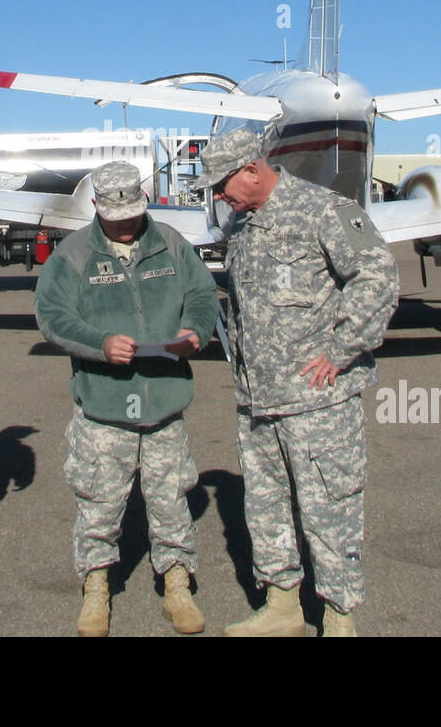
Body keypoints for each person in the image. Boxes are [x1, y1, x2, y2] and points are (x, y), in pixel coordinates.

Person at [193, 128, 398, 637]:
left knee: (330, 509)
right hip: (258, 400)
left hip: (317, 403)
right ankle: (282, 606)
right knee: (265, 506)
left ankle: (338, 616)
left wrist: (342, 350)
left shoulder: (322, 210)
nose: (219, 197)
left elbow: (378, 275)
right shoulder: (242, 225)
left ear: (251, 170)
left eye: (222, 185)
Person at [35, 160, 220, 637]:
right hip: (104, 407)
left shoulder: (171, 244)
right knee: (98, 504)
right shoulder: (73, 255)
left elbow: (203, 294)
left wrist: (195, 331)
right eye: (116, 218)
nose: (126, 225)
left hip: (163, 403)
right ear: (95, 207)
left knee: (171, 500)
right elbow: (52, 316)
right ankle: (96, 590)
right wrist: (99, 343)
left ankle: (177, 584)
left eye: (133, 214)